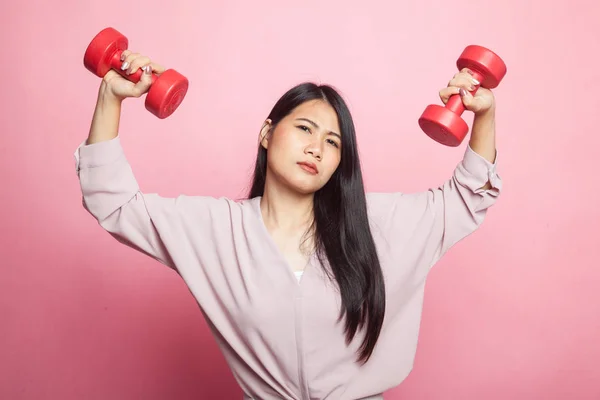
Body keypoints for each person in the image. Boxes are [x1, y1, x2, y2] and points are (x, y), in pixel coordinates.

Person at [74, 49, 502, 400]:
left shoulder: (378, 224)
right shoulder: (213, 230)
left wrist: (482, 115)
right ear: (267, 134)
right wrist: (111, 96)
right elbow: (113, 202)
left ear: (340, 161)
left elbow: (466, 198)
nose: (316, 148)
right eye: (304, 128)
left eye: (332, 142)